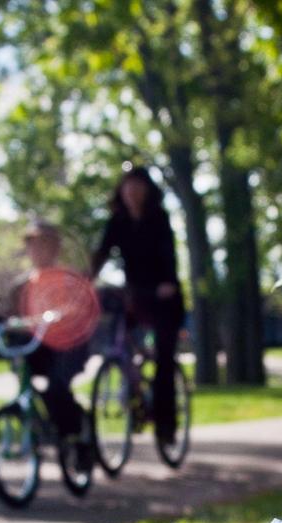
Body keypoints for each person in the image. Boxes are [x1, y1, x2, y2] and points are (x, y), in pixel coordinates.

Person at [90, 165, 186, 445]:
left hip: (163, 297)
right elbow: (101, 254)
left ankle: (165, 426)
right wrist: (87, 280)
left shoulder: (159, 219)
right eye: (127, 186)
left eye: (137, 187)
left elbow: (169, 254)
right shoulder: (117, 222)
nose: (132, 192)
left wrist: (167, 283)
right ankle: (134, 401)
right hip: (134, 296)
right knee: (118, 343)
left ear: (147, 191)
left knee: (164, 360)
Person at [14, 220, 91, 447]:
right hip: (40, 345)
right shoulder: (24, 284)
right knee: (27, 375)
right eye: (34, 245)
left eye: (45, 245)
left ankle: (76, 434)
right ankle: (46, 425)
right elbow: (10, 313)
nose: (39, 251)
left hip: (69, 347)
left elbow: (77, 307)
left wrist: (61, 315)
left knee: (57, 387)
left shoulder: (66, 278)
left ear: (56, 248)